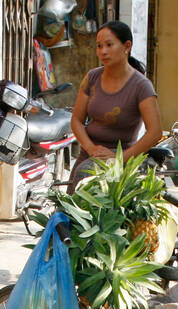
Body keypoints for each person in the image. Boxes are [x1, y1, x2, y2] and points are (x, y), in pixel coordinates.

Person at [68, 21, 162, 189]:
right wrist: (91, 149)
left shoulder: (141, 86)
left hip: (122, 160)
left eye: (109, 45)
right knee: (68, 211)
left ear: (127, 46)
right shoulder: (92, 77)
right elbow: (76, 119)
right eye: (99, 46)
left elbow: (155, 132)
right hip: (88, 155)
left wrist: (118, 158)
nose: (102, 51)